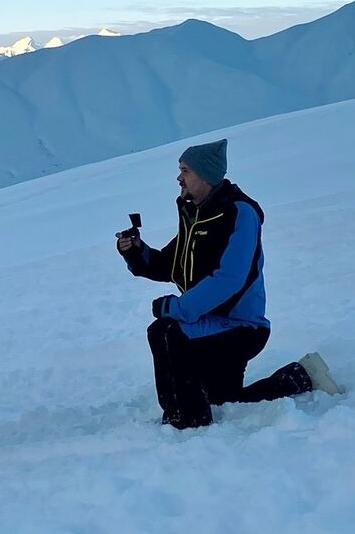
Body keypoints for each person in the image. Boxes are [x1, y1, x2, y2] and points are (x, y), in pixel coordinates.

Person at [116, 139, 341, 430]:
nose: (179, 177)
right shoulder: (196, 213)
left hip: (241, 326)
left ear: (206, 175)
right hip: (210, 322)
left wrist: (180, 308)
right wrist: (135, 251)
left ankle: (185, 418)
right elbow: (171, 265)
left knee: (166, 330)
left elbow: (229, 278)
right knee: (226, 400)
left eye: (185, 170)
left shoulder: (239, 214)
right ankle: (302, 376)